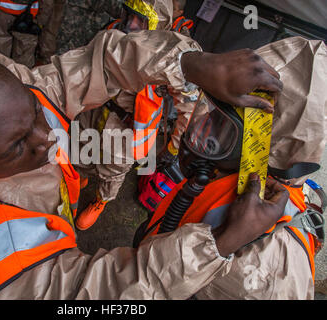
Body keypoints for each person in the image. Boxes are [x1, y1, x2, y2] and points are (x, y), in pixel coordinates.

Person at [0, 29, 283, 299]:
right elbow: (95, 298)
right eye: (18, 146)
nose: (48, 136)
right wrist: (222, 244)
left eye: (35, 112)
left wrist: (190, 65)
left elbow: (95, 65)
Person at [134, 36, 327, 299]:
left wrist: (221, 244)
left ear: (263, 152)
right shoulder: (226, 179)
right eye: (212, 114)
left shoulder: (268, 277)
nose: (204, 129)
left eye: (222, 125)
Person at [74, 0, 196, 230]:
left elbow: (189, 107)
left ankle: (101, 200)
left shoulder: (169, 59)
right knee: (81, 145)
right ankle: (81, 174)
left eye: (141, 20)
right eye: (130, 16)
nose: (131, 25)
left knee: (114, 168)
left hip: (127, 127)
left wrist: (173, 148)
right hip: (95, 108)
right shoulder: (111, 32)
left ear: (156, 25)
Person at [0, 0, 64, 67]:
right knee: (22, 62)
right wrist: (40, 21)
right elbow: (47, 4)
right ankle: (19, 86)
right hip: (28, 20)